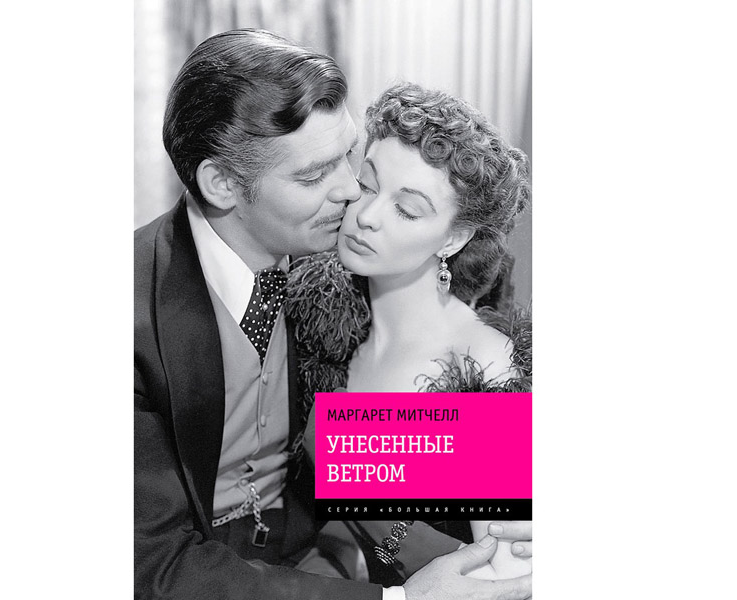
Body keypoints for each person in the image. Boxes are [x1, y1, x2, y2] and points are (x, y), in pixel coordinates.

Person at [135, 29, 532, 600]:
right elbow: (150, 564)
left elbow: (491, 547)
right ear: (221, 183)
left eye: (349, 158)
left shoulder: (367, 290)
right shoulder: (137, 318)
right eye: (315, 175)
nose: (353, 196)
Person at [287, 81, 532, 585]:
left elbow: (508, 579)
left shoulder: (485, 368)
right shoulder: (317, 323)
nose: (366, 217)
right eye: (368, 184)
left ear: (454, 238)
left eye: (408, 209)